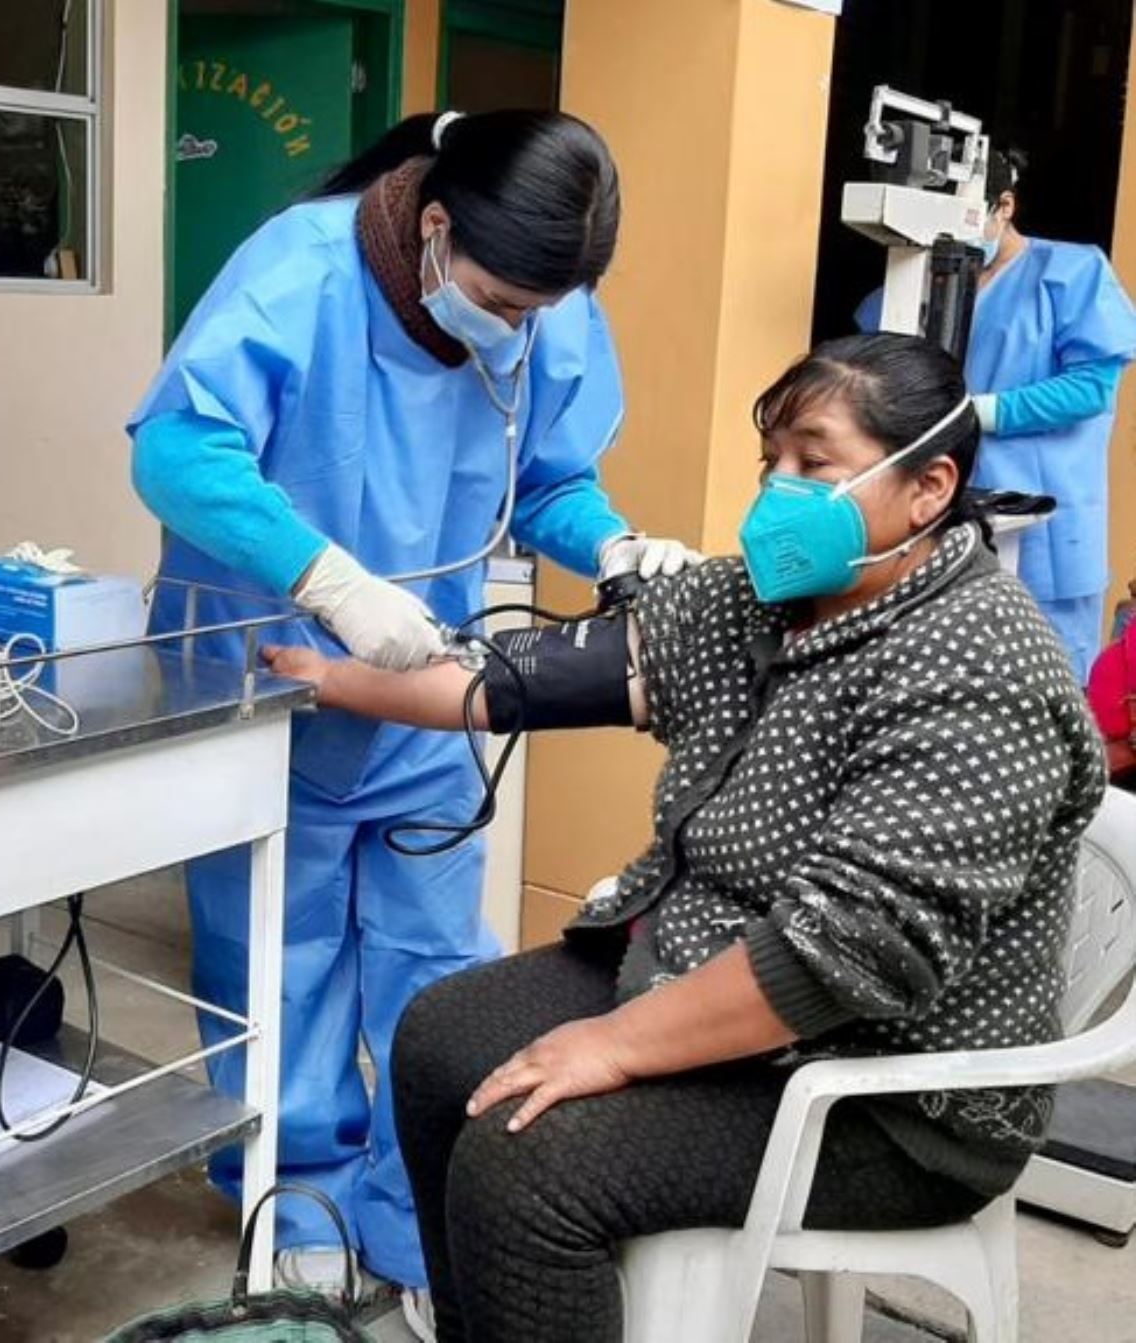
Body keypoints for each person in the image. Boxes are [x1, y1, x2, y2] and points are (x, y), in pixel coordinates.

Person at [269, 333, 1106, 1342]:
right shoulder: (759, 600)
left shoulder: (981, 666)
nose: (777, 491)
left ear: (929, 486)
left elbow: (843, 953)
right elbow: (520, 683)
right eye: (772, 463)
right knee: (442, 1036)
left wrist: (612, 1045)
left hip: (893, 1089)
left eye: (814, 462)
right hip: (720, 964)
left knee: (532, 1161)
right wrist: (339, 674)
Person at [127, 108, 696, 1305]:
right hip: (264, 663)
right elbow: (177, 449)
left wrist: (616, 546)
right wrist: (323, 576)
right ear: (435, 226)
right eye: (503, 299)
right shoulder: (302, 267)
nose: (518, 329)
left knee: (438, 967)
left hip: (429, 687)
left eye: (540, 312)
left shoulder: (543, 301)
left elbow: (546, 479)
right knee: (279, 960)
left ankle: (418, 1198)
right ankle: (299, 1187)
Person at [859, 148, 1136, 677]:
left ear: (1003, 206)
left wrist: (980, 413)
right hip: (937, 512)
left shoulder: (1069, 275)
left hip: (1041, 528)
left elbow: (1090, 388)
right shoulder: (919, 279)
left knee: (1043, 681)